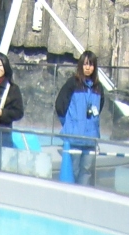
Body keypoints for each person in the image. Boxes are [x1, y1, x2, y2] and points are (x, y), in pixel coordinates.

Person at [55, 49, 104, 187]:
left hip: (90, 139)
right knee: (74, 170)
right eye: (85, 64)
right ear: (80, 65)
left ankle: (83, 194)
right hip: (74, 138)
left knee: (86, 171)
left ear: (94, 67)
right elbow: (60, 105)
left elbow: (100, 107)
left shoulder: (98, 87)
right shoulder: (72, 83)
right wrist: (69, 124)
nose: (88, 68)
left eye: (91, 64)